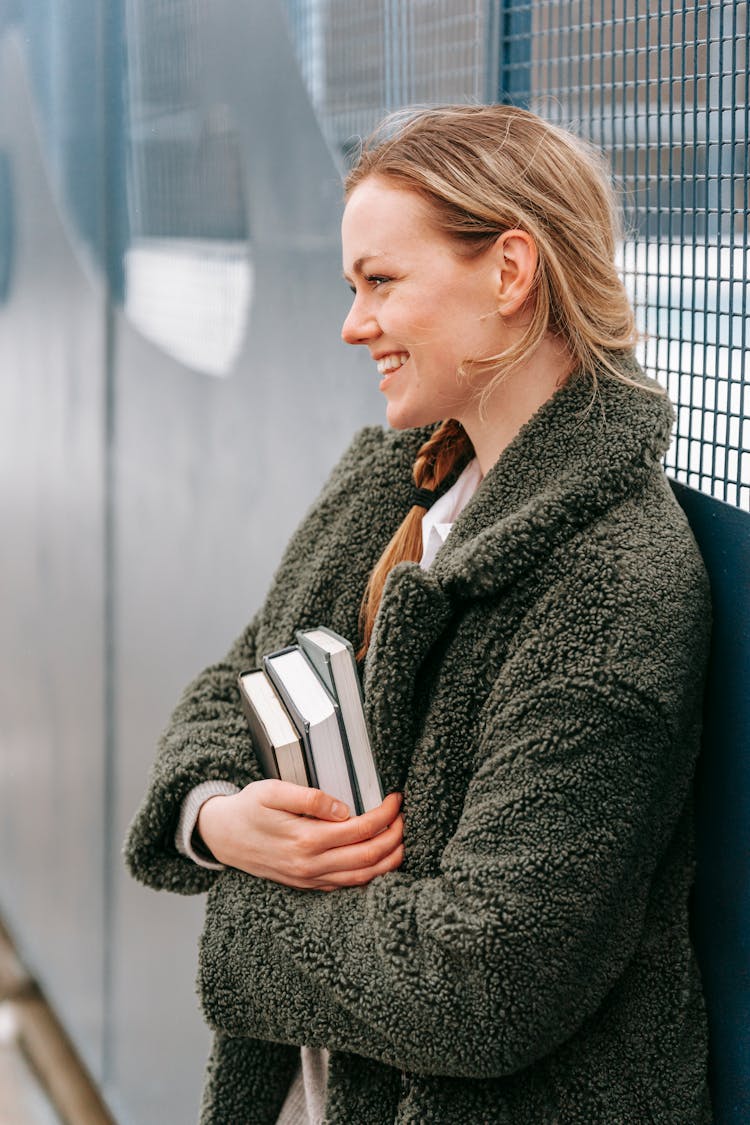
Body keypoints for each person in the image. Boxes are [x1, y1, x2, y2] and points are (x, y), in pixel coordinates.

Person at [125, 104, 712, 1124]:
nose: (355, 325)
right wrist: (220, 820)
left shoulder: (616, 581)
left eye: (381, 283)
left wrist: (249, 912)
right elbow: (232, 689)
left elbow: (484, 982)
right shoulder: (392, 486)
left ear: (510, 272)